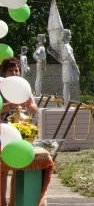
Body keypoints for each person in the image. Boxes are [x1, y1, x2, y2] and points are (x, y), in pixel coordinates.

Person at [0, 57, 38, 206]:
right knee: (2, 170)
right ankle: (2, 202)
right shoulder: (1, 88)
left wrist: (28, 104)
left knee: (17, 167)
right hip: (3, 132)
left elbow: (34, 109)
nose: (14, 73)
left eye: (16, 70)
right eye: (11, 70)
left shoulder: (24, 88)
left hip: (20, 130)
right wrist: (9, 106)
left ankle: (13, 202)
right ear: (4, 72)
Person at [47, 29, 80, 106]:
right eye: (69, 35)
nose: (70, 36)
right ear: (66, 36)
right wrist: (76, 67)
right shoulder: (65, 46)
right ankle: (66, 104)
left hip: (66, 65)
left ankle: (66, 103)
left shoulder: (64, 45)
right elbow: (70, 57)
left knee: (67, 85)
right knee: (66, 85)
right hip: (68, 65)